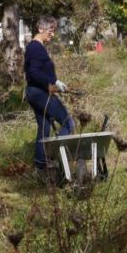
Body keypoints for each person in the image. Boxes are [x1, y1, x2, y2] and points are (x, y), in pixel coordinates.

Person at [24, 16, 74, 170]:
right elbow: (33, 72)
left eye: (54, 31)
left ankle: (41, 165)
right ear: (40, 29)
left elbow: (38, 72)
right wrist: (50, 84)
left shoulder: (37, 47)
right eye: (51, 30)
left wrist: (57, 82)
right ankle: (60, 157)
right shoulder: (35, 47)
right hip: (39, 93)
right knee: (68, 123)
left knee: (44, 128)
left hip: (35, 92)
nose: (53, 34)